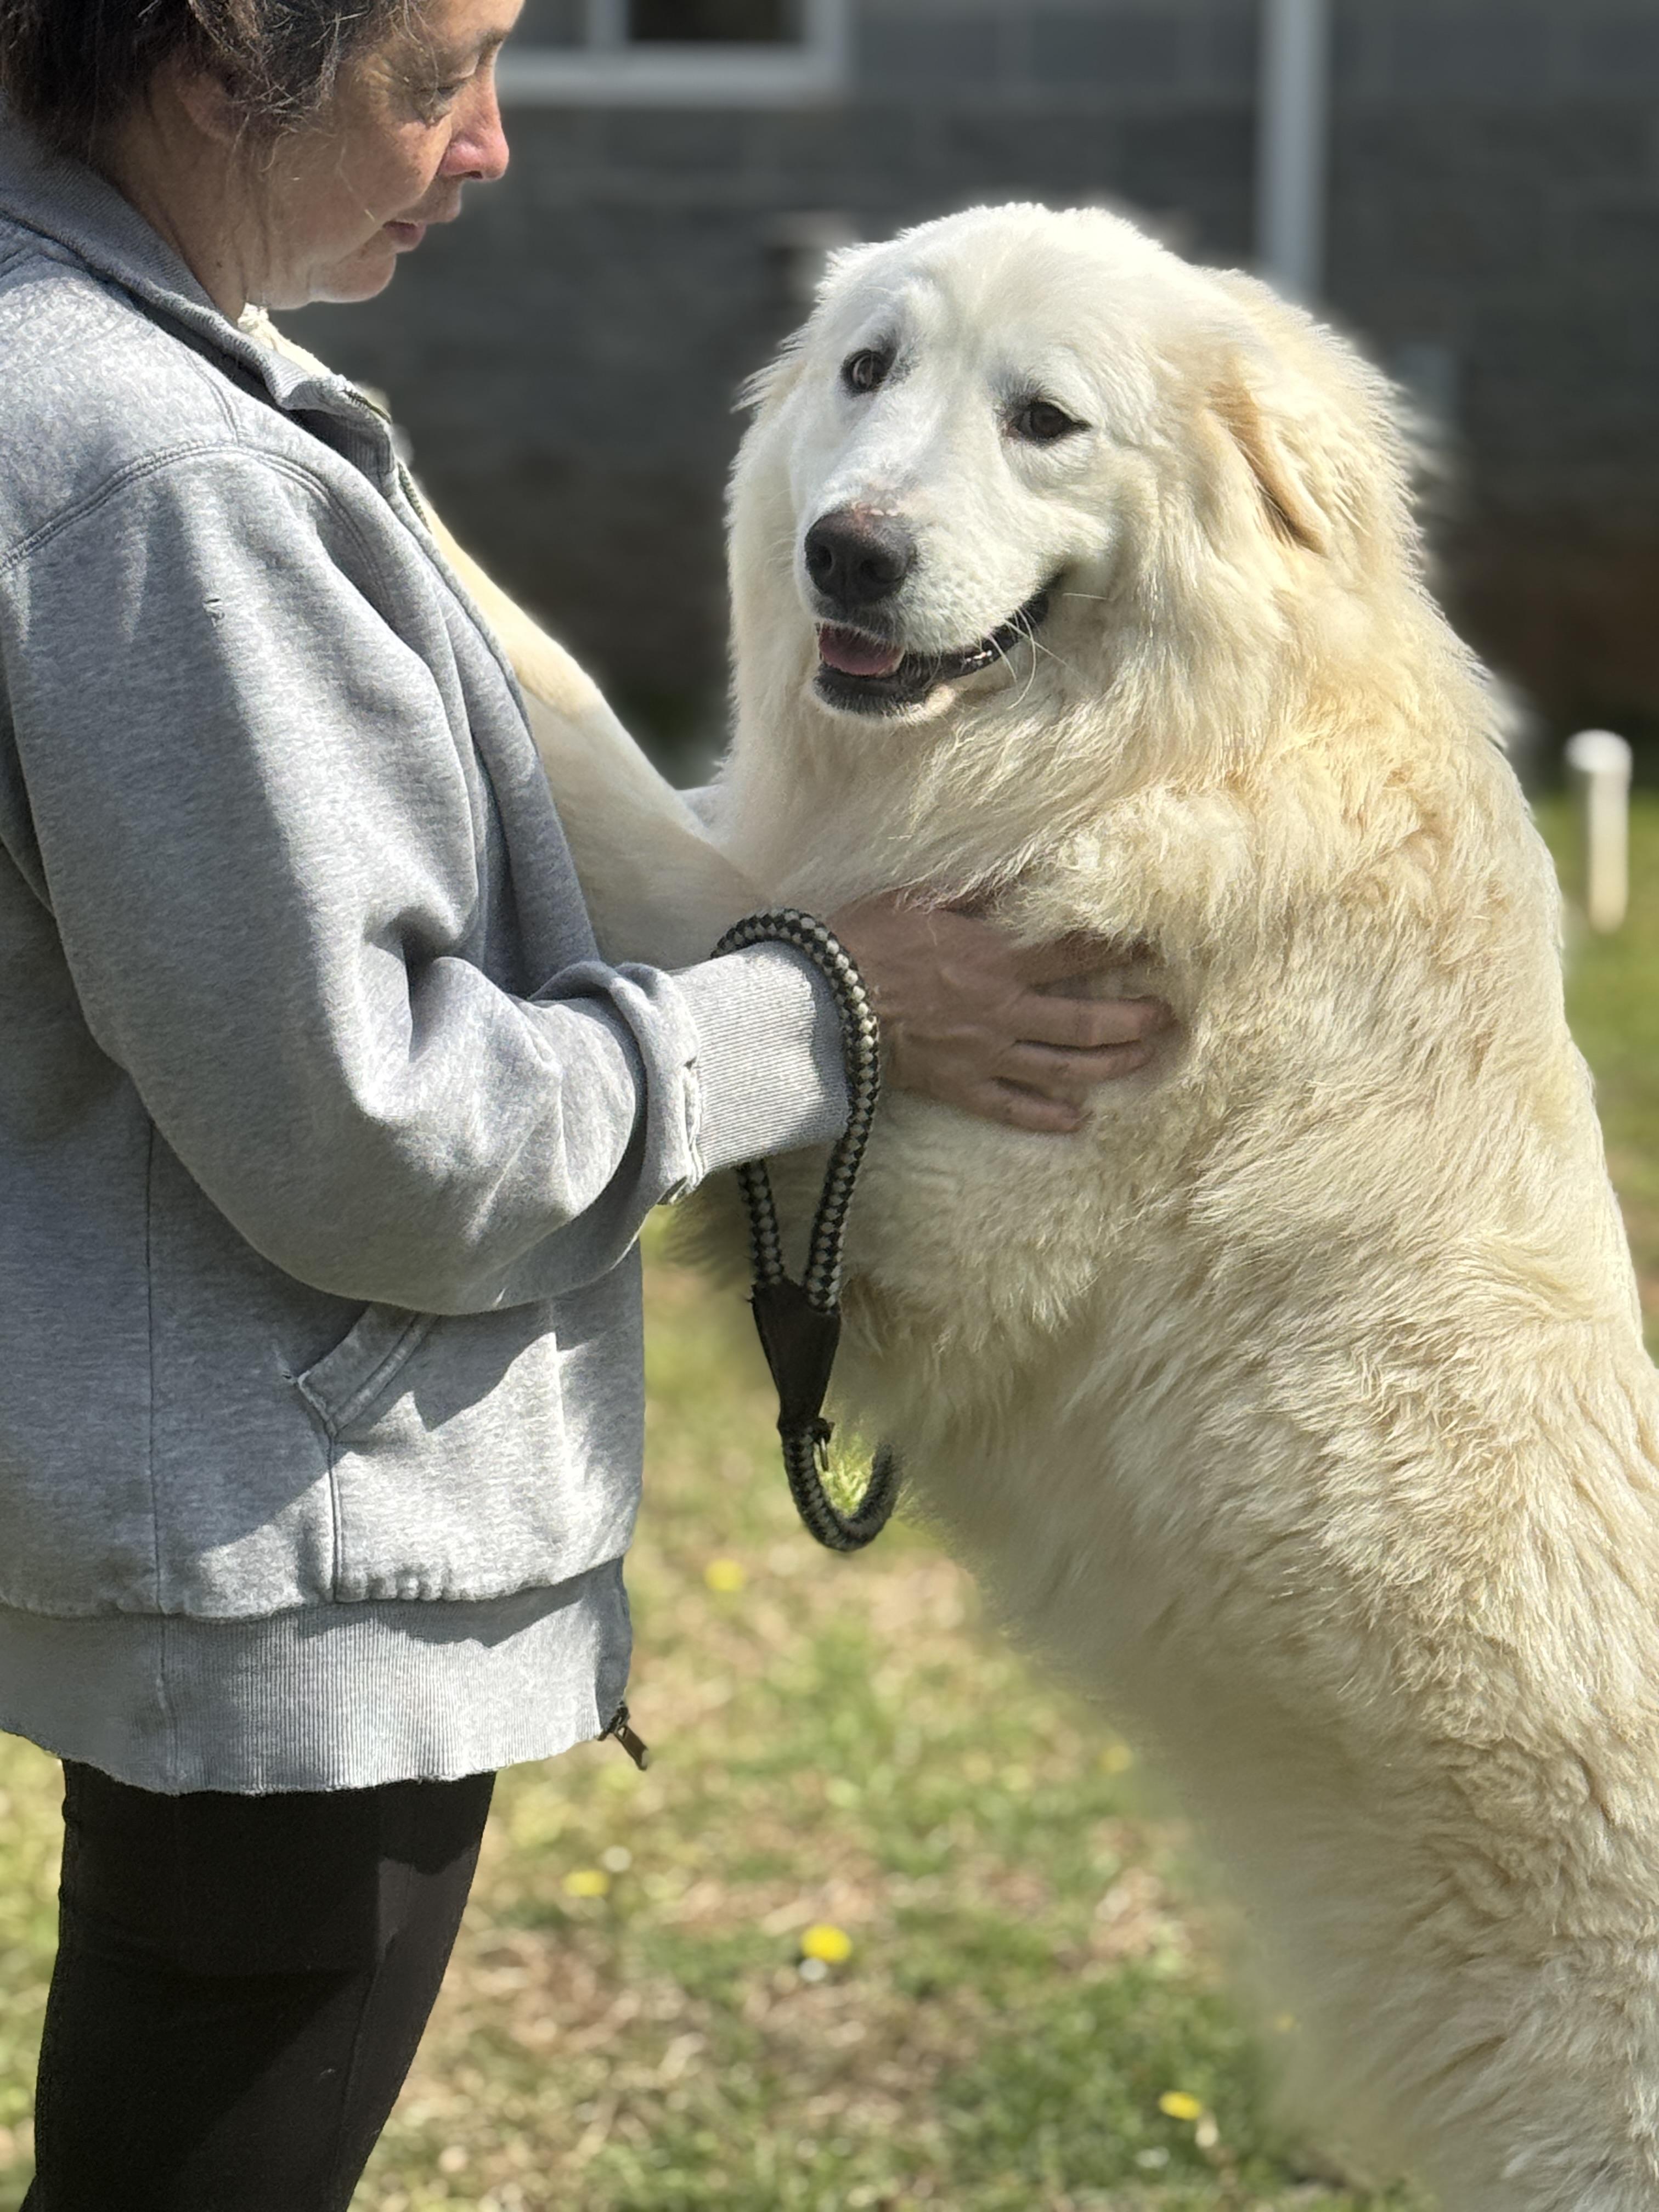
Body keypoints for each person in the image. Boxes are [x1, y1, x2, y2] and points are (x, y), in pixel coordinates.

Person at [0, 2, 1169, 2204]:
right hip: (292, 1577)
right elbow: (389, 1143)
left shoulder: (74, 365)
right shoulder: (157, 475)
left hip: (195, 1508)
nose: (498, 144)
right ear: (219, 48)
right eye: (440, 72)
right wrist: (820, 1008)